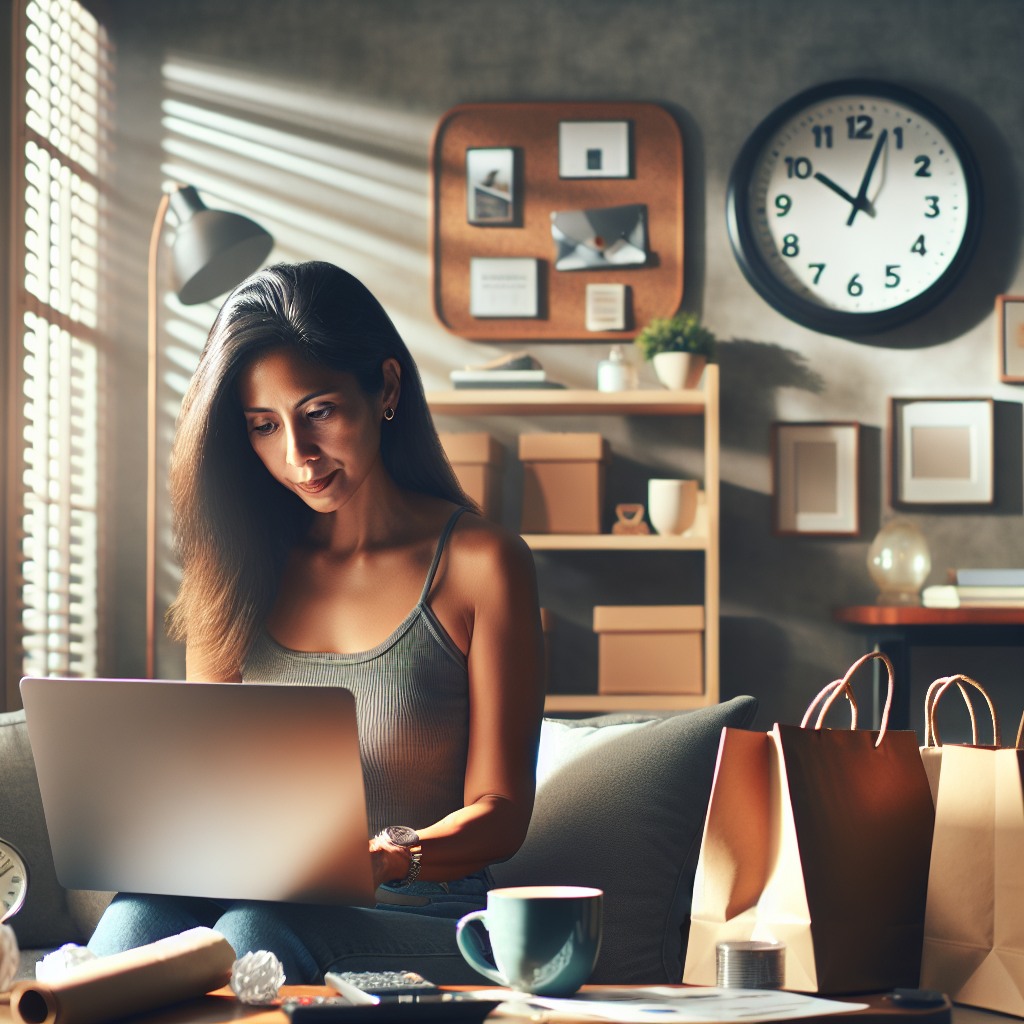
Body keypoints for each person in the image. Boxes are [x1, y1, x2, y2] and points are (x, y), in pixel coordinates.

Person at [88, 262, 546, 984]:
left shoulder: (482, 564)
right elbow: (206, 790)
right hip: (261, 896)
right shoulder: (238, 571)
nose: (297, 456)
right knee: (133, 920)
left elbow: (502, 813)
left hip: (422, 913)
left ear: (386, 389)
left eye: (320, 411)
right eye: (263, 427)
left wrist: (391, 854)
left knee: (253, 933)